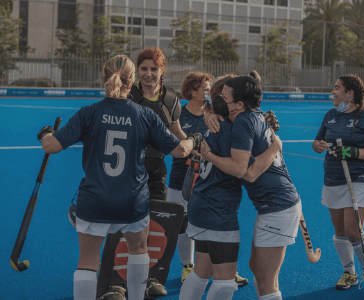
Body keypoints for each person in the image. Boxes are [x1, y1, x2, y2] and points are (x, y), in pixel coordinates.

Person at [37, 54, 197, 300]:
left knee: (88, 261)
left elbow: (51, 146)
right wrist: (193, 139)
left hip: (95, 200)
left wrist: (46, 133)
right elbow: (180, 150)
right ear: (131, 81)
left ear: (104, 78)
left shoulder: (88, 113)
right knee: (139, 250)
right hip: (133, 201)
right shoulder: (145, 115)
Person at [91, 47, 189, 300]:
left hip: (156, 173)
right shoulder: (127, 95)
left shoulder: (170, 99)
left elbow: (177, 133)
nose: (148, 74)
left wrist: (193, 146)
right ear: (136, 72)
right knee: (122, 229)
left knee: (156, 226)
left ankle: (148, 278)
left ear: (162, 71)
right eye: (143, 69)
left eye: (153, 69)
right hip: (127, 173)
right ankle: (113, 284)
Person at [179, 81, 283, 300]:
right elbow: (241, 168)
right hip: (219, 208)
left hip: (201, 204)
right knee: (225, 281)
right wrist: (273, 143)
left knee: (201, 272)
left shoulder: (215, 125)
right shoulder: (230, 128)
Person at [201, 76, 302, 300]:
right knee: (256, 267)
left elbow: (244, 171)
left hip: (278, 206)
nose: (218, 101)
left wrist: (208, 155)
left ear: (238, 104)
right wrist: (210, 114)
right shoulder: (254, 115)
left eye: (223, 98)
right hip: (274, 205)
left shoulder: (243, 121)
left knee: (267, 280)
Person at [168, 72, 249, 286]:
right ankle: (188, 265)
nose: (209, 92)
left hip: (213, 179)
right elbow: (171, 146)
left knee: (217, 223)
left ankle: (226, 268)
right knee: (183, 223)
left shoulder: (215, 113)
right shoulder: (179, 115)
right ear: (192, 91)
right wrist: (192, 150)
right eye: (205, 89)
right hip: (182, 177)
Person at [312, 74, 364, 297]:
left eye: (337, 88)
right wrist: (319, 145)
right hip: (333, 178)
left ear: (349, 93)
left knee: (354, 230)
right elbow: (316, 142)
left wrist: (354, 152)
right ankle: (349, 273)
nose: (333, 92)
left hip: (358, 179)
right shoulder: (330, 115)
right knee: (340, 231)